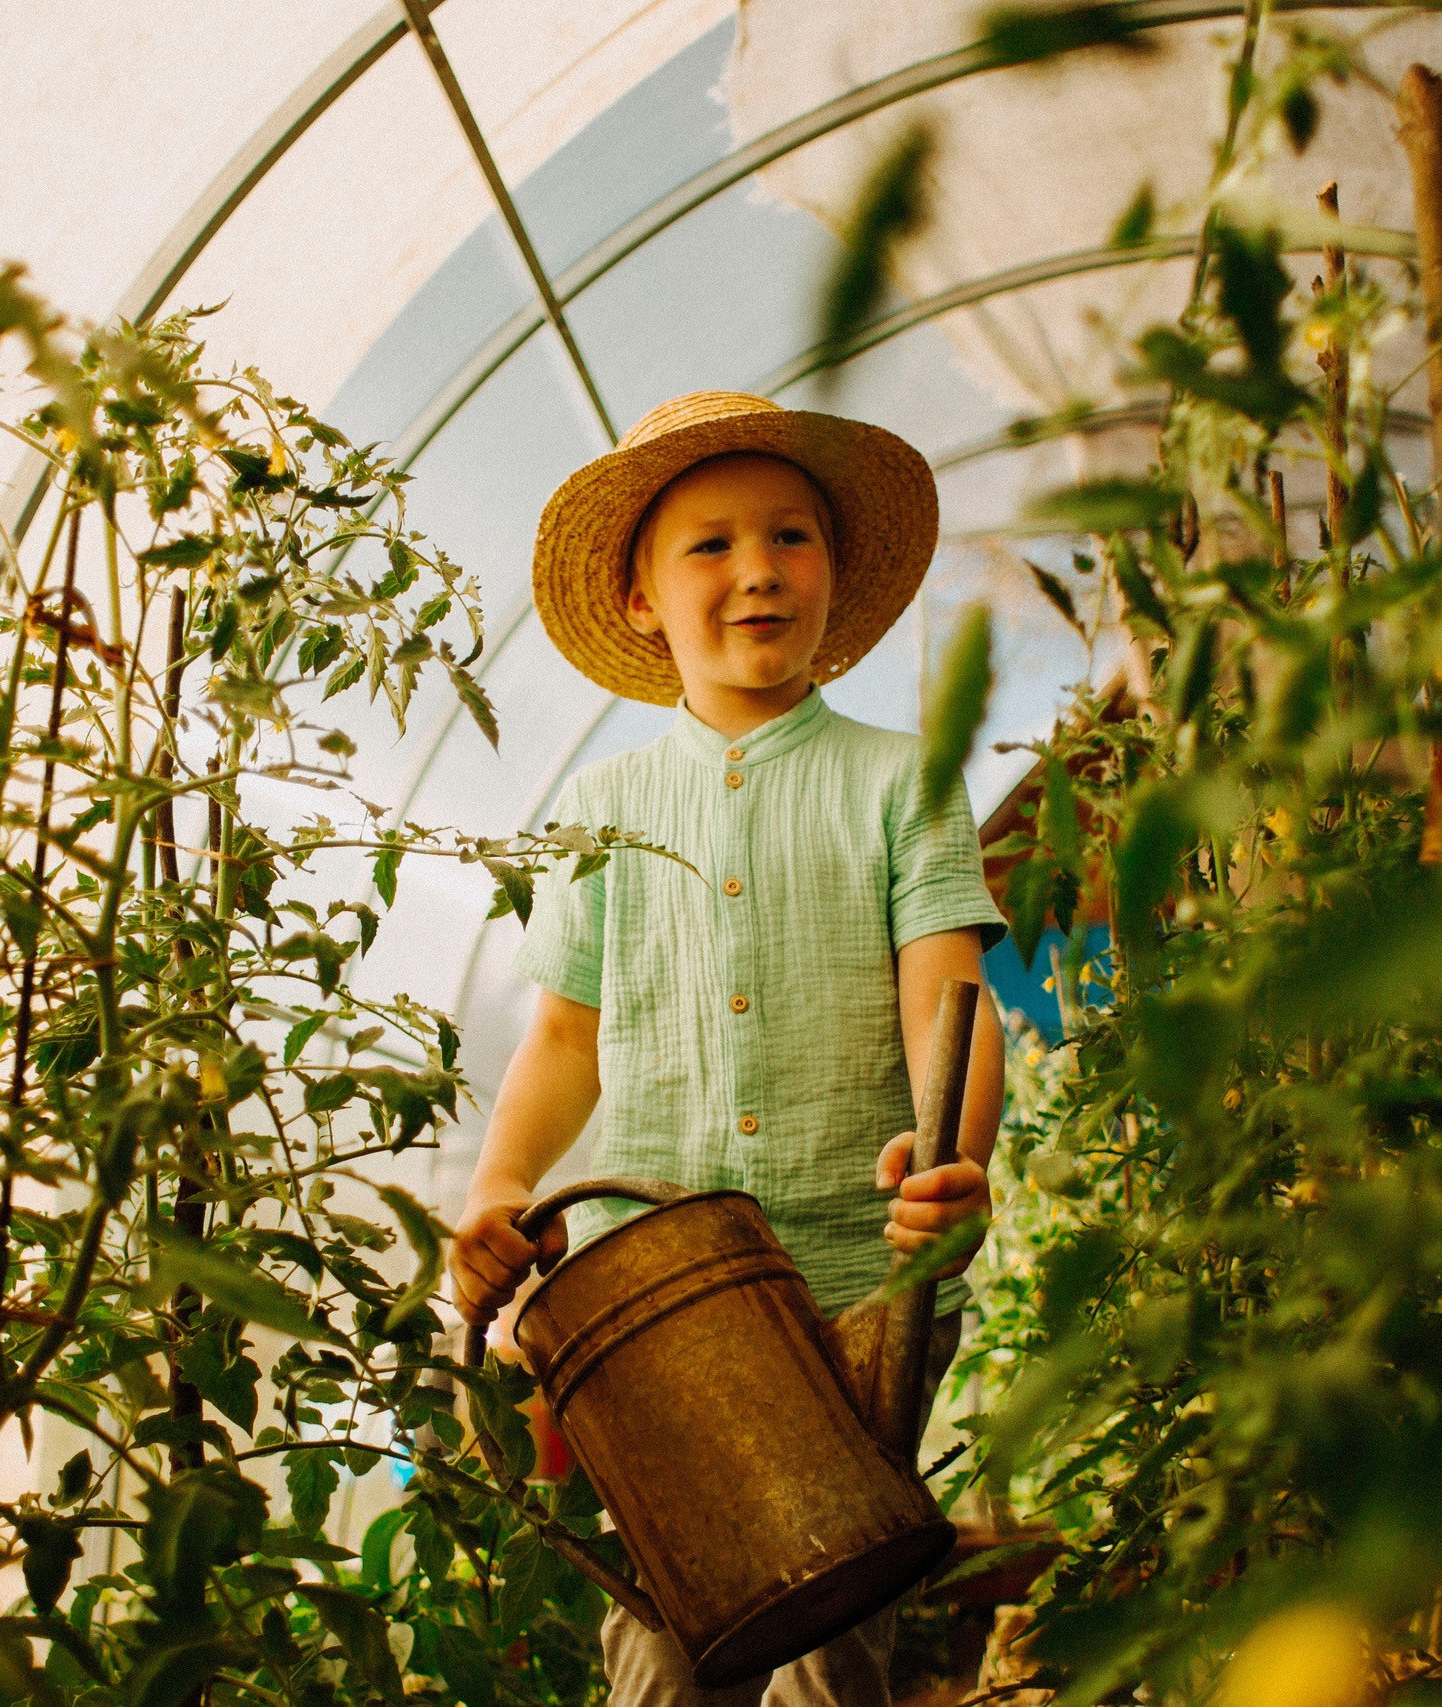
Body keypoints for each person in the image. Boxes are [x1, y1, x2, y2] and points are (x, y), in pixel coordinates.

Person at [452, 390, 1008, 1707]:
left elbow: (951, 999)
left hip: (859, 1278)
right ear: (642, 598)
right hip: (660, 1297)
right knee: (671, 1640)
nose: (756, 569)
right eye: (708, 544)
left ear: (833, 573)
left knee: (833, 1632)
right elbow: (567, 1038)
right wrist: (495, 1187)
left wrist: (951, 1157)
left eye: (790, 536)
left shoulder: (901, 781)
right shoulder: (603, 808)